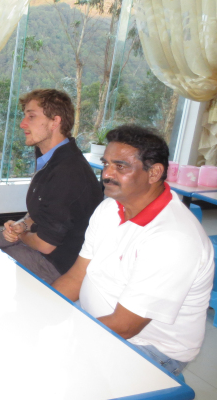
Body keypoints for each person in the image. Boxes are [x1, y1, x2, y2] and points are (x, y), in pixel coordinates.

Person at [53, 125, 214, 375]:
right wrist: (42, 309)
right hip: (98, 321)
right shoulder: (110, 208)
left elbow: (126, 326)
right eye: (106, 164)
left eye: (120, 166)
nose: (107, 174)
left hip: (147, 347)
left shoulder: (173, 238)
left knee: (49, 369)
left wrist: (67, 339)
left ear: (154, 173)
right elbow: (76, 277)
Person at [0, 89, 103, 284]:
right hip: (36, 247)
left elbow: (45, 245)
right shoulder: (50, 158)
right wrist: (22, 224)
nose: (22, 123)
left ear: (55, 122)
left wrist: (21, 234)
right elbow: (44, 211)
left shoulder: (68, 172)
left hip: (52, 265)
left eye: (31, 116)